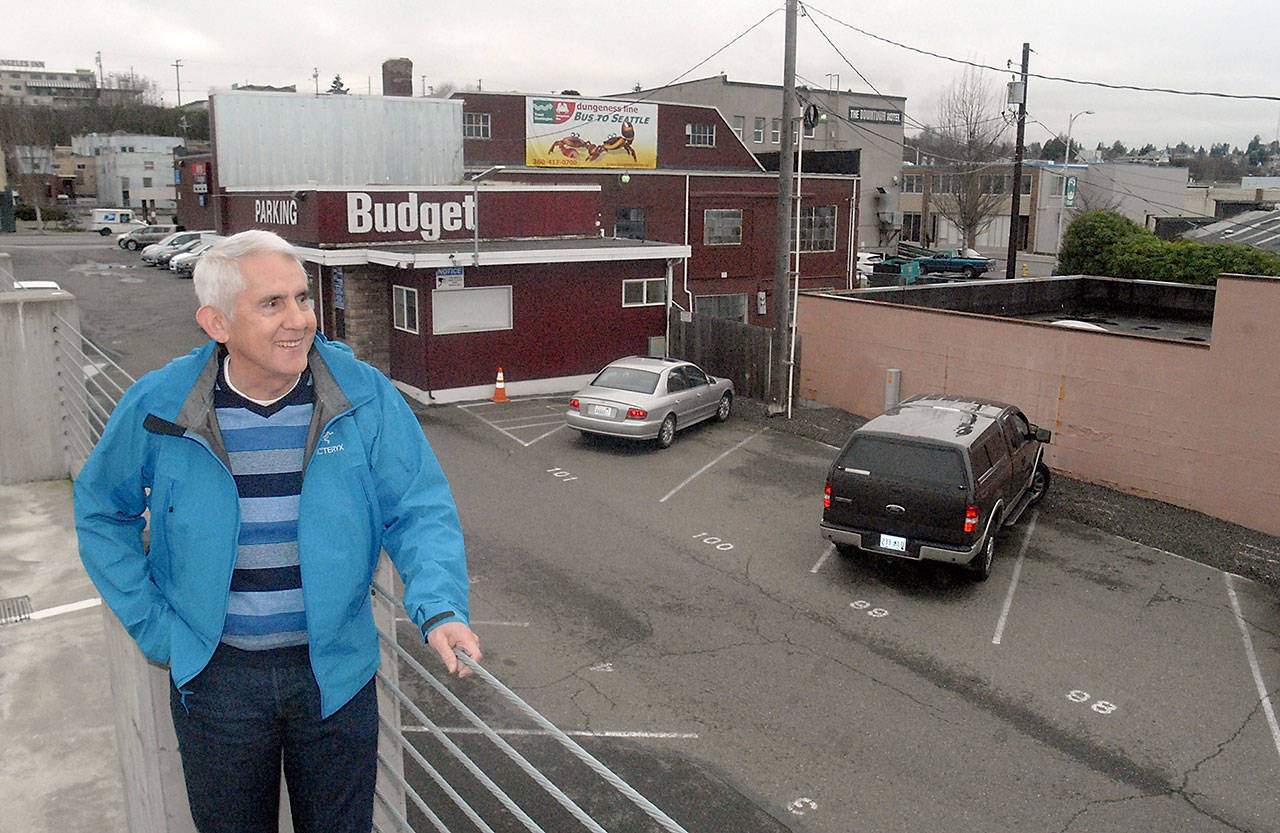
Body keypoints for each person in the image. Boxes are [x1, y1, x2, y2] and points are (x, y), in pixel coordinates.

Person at [74, 229, 480, 832]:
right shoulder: (160, 403)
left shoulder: (363, 395)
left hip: (335, 677)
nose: (300, 320)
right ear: (216, 323)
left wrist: (440, 607)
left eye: (303, 298)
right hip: (217, 683)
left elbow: (418, 507)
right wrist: (159, 630)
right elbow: (101, 511)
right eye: (273, 304)